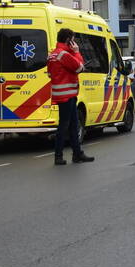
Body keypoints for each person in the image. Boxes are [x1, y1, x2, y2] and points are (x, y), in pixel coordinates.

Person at [47, 28, 94, 166]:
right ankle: (59, 156)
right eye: (73, 40)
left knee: (73, 125)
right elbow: (80, 67)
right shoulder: (64, 55)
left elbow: (50, 74)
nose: (74, 43)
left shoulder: (52, 55)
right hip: (67, 95)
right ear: (68, 40)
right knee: (64, 126)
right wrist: (77, 51)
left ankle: (77, 153)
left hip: (62, 95)